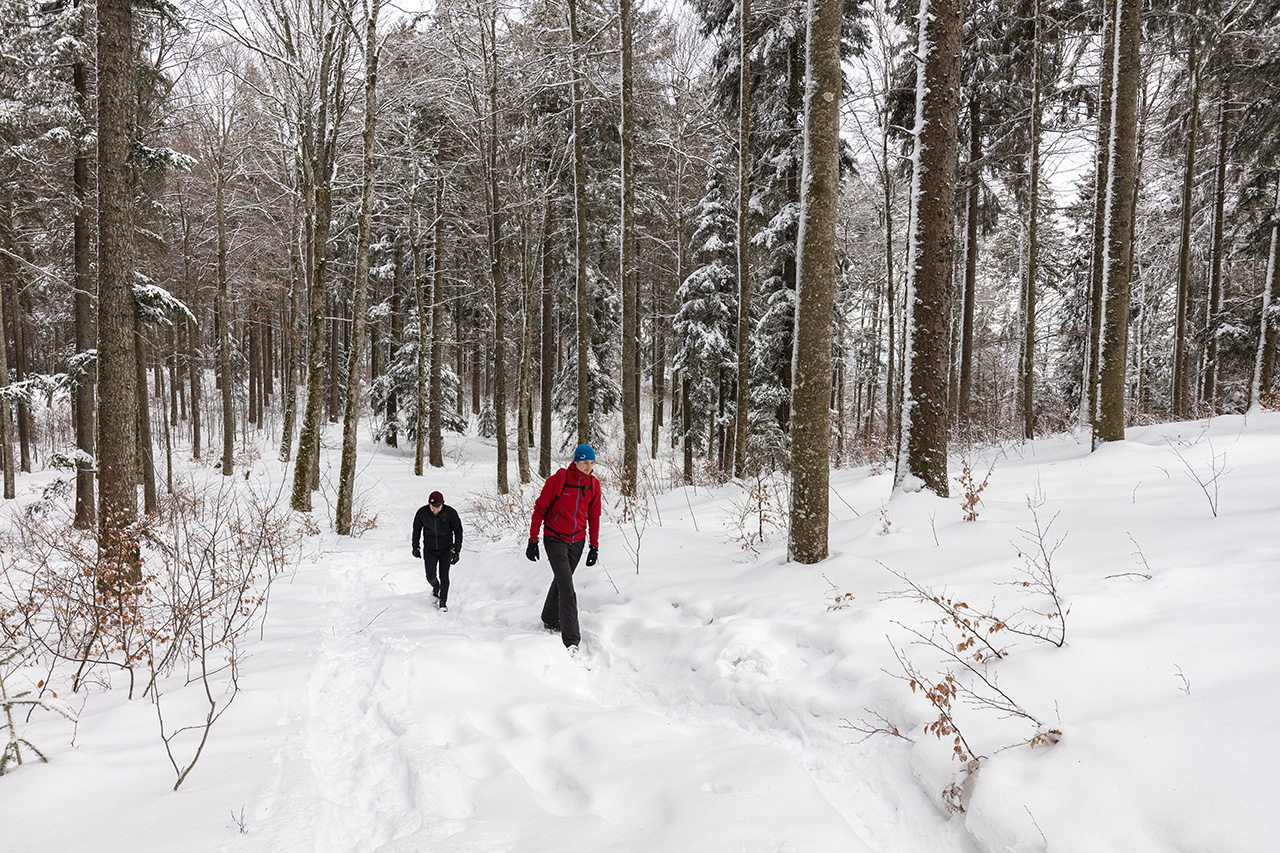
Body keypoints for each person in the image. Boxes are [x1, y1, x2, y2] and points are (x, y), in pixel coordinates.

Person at [527, 444, 601, 650]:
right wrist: (533, 539)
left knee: (562, 580)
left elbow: (594, 517)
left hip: (577, 540)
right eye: (586, 462)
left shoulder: (593, 485)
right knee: (567, 589)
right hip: (555, 538)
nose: (589, 467)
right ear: (576, 461)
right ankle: (571, 640)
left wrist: (594, 545)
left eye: (592, 463)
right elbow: (540, 509)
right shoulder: (558, 480)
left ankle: (549, 617)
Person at [412, 490, 463, 611]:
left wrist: (457, 551)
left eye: (438, 507)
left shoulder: (450, 513)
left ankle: (443, 602)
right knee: (430, 576)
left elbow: (458, 531)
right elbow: (416, 529)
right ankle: (436, 587)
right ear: (429, 504)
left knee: (444, 576)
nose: (435, 510)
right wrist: (415, 547)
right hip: (429, 549)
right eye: (433, 507)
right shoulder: (422, 513)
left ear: (442, 504)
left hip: (446, 549)